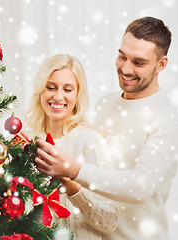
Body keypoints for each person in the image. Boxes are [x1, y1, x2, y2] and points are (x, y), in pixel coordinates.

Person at [34, 17, 178, 240]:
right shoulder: (105, 104)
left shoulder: (170, 116)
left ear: (161, 65)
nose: (126, 68)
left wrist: (73, 169)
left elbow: (141, 187)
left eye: (139, 62)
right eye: (122, 56)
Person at [25, 54, 119, 239]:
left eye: (68, 89)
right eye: (50, 87)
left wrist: (71, 187)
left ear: (78, 94)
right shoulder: (29, 142)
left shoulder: (91, 141)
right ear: (40, 90)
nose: (58, 96)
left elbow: (110, 221)